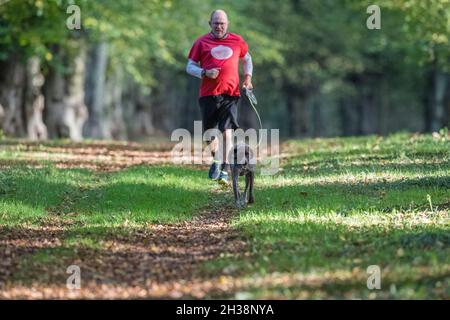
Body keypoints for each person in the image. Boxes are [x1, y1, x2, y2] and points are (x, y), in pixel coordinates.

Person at [186, 9, 253, 185]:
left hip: (230, 94)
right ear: (210, 24)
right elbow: (189, 66)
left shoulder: (237, 40)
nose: (219, 26)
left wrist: (247, 78)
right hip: (208, 95)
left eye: (222, 23)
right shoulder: (201, 42)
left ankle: (223, 168)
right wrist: (204, 72)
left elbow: (247, 59)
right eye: (216, 23)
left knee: (227, 132)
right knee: (209, 134)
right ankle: (217, 159)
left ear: (227, 24)